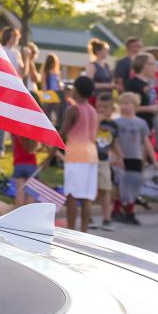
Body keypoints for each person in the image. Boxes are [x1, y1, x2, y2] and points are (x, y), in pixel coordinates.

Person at [60, 75, 98, 232]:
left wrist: (50, 149)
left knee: (72, 195)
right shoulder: (93, 110)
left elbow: (62, 133)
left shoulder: (73, 109)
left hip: (76, 155)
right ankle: (83, 232)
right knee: (87, 196)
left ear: (76, 89)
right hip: (91, 155)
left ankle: (70, 230)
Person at [112, 92, 156, 226]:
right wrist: (116, 156)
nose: (125, 106)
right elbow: (113, 140)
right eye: (123, 103)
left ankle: (130, 213)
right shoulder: (116, 122)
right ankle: (116, 211)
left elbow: (146, 142)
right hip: (121, 158)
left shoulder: (141, 123)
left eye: (128, 103)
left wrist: (152, 159)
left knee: (133, 186)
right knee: (120, 186)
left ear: (135, 105)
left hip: (135, 157)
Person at [94, 92, 119, 230]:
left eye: (105, 107)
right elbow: (90, 135)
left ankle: (107, 219)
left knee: (105, 188)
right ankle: (90, 217)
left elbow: (114, 143)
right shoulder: (93, 120)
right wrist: (97, 121)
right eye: (99, 106)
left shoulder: (114, 125)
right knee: (91, 189)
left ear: (111, 109)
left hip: (104, 160)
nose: (101, 109)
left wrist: (119, 156)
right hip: (91, 159)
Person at [123, 53, 158, 132]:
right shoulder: (133, 83)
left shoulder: (149, 82)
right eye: (153, 64)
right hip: (137, 127)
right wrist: (152, 109)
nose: (155, 68)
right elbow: (129, 108)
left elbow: (150, 101)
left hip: (150, 124)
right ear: (144, 65)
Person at [10, 133, 38, 205]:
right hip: (31, 165)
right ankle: (29, 211)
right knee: (31, 190)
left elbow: (13, 147)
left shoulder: (15, 131)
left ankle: (19, 211)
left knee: (20, 190)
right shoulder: (34, 133)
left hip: (18, 164)